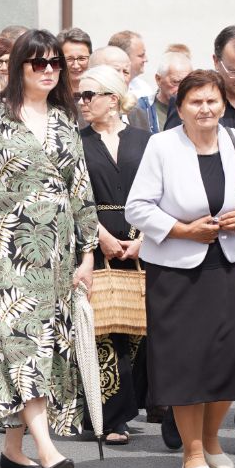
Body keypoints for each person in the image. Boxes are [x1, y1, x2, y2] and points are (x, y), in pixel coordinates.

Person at [0, 29, 95, 468]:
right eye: (39, 63)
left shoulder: (64, 119)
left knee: (44, 346)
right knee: (23, 343)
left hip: (56, 252)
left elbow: (80, 186)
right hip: (7, 246)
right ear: (19, 68)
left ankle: (14, 450)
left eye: (55, 63)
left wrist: (87, 251)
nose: (50, 70)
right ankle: (47, 449)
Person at [126, 70, 235, 468]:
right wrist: (184, 230)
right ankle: (192, 451)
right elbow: (137, 208)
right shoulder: (162, 145)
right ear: (179, 107)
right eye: (195, 101)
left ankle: (213, 439)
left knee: (230, 357)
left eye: (212, 100)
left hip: (230, 263)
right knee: (186, 359)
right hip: (177, 268)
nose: (205, 108)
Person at [76, 64, 153, 445]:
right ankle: (106, 417)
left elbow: (160, 190)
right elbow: (74, 197)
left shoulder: (146, 139)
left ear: (112, 97)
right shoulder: (77, 141)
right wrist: (99, 235)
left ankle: (130, 407)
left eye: (89, 95)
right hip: (96, 240)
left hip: (142, 241)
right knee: (103, 331)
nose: (83, 102)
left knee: (137, 329)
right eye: (80, 95)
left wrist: (144, 238)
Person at [135, 51, 191, 135]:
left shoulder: (197, 109)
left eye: (187, 82)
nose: (182, 88)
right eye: (175, 82)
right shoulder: (141, 109)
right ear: (158, 79)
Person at [59, 27, 92, 93]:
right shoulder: (50, 94)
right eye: (69, 59)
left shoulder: (100, 92)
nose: (76, 66)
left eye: (82, 58)